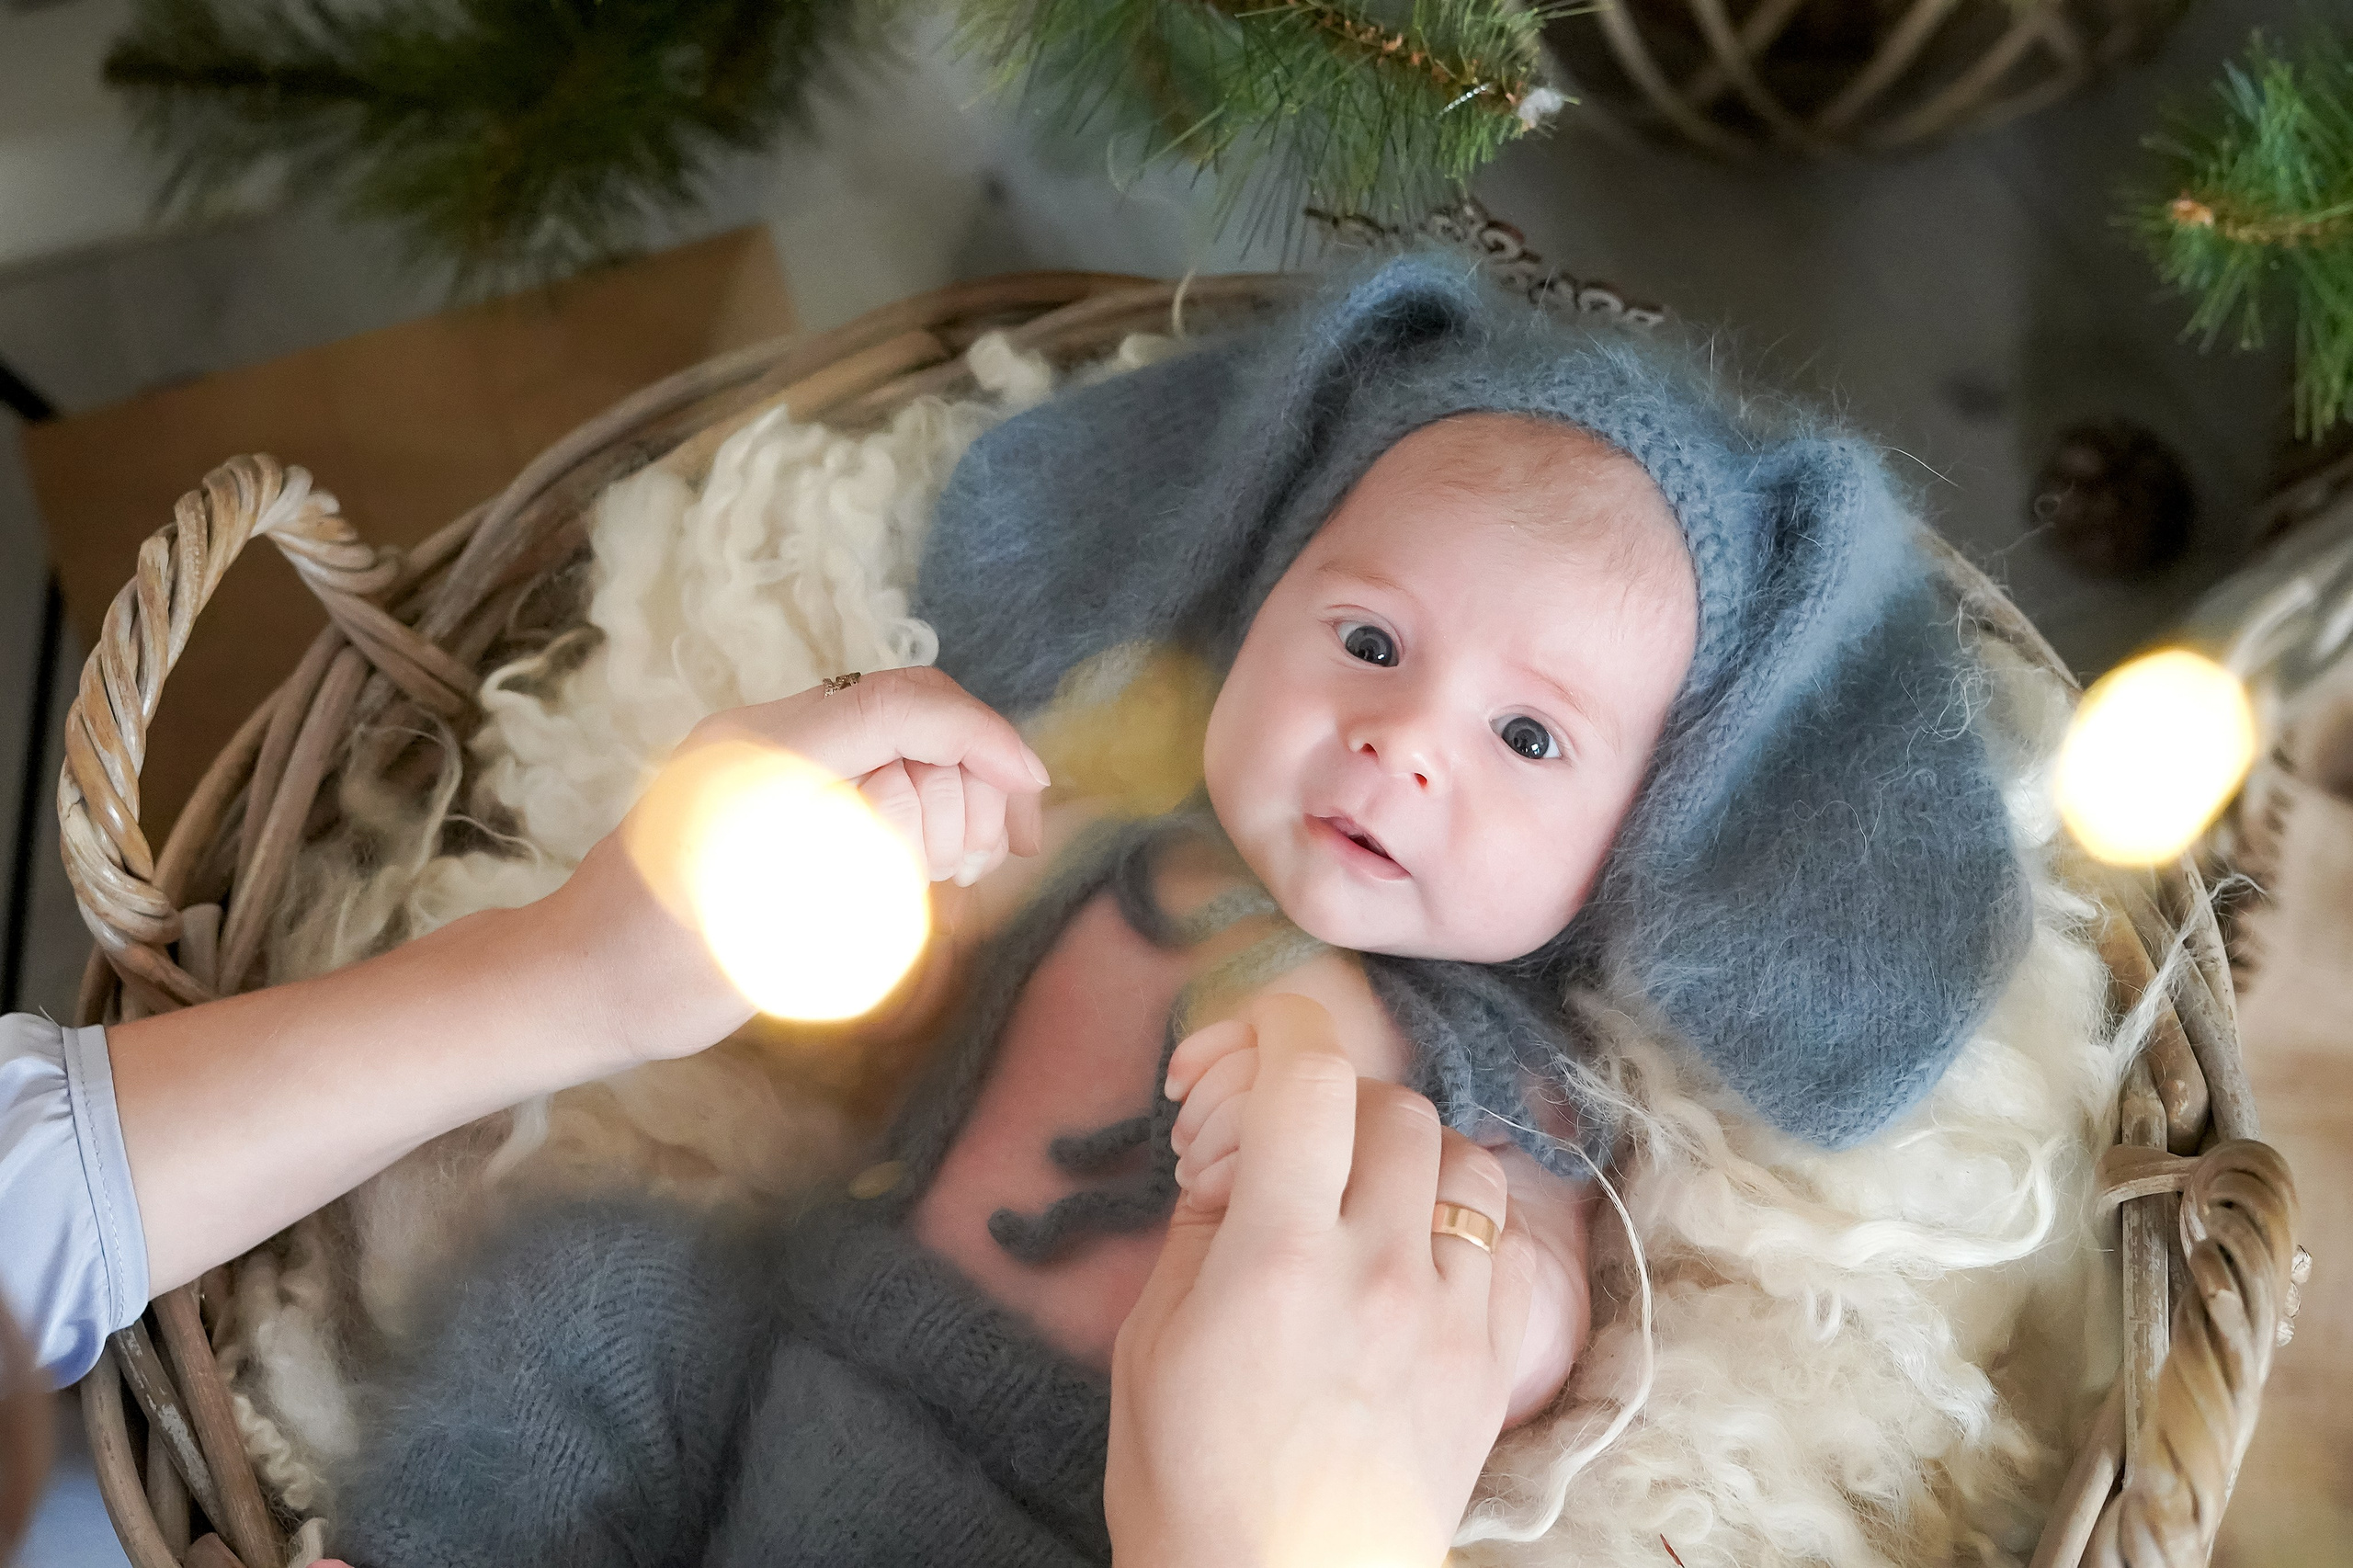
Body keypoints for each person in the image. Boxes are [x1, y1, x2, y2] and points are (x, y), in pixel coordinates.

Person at [324, 256, 2027, 1566]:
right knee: (592, 1286)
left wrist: (1435, 1247)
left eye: (1528, 736)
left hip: (1107, 1505)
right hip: (810, 1338)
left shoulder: (1505, 1076)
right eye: (1366, 640)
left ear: (1642, 834)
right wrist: (897, 877)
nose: (1399, 744)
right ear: (1254, 597)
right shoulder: (1111, 852)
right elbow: (894, 1018)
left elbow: (1517, 1335)